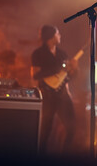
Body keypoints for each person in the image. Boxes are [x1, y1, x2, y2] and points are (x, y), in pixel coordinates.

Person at [31, 25, 77, 154]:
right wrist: (56, 70)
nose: (60, 36)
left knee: (71, 128)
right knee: (45, 130)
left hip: (63, 95)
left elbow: (67, 77)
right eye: (57, 34)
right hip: (47, 95)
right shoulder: (38, 54)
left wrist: (74, 69)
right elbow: (35, 74)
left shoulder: (62, 54)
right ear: (51, 37)